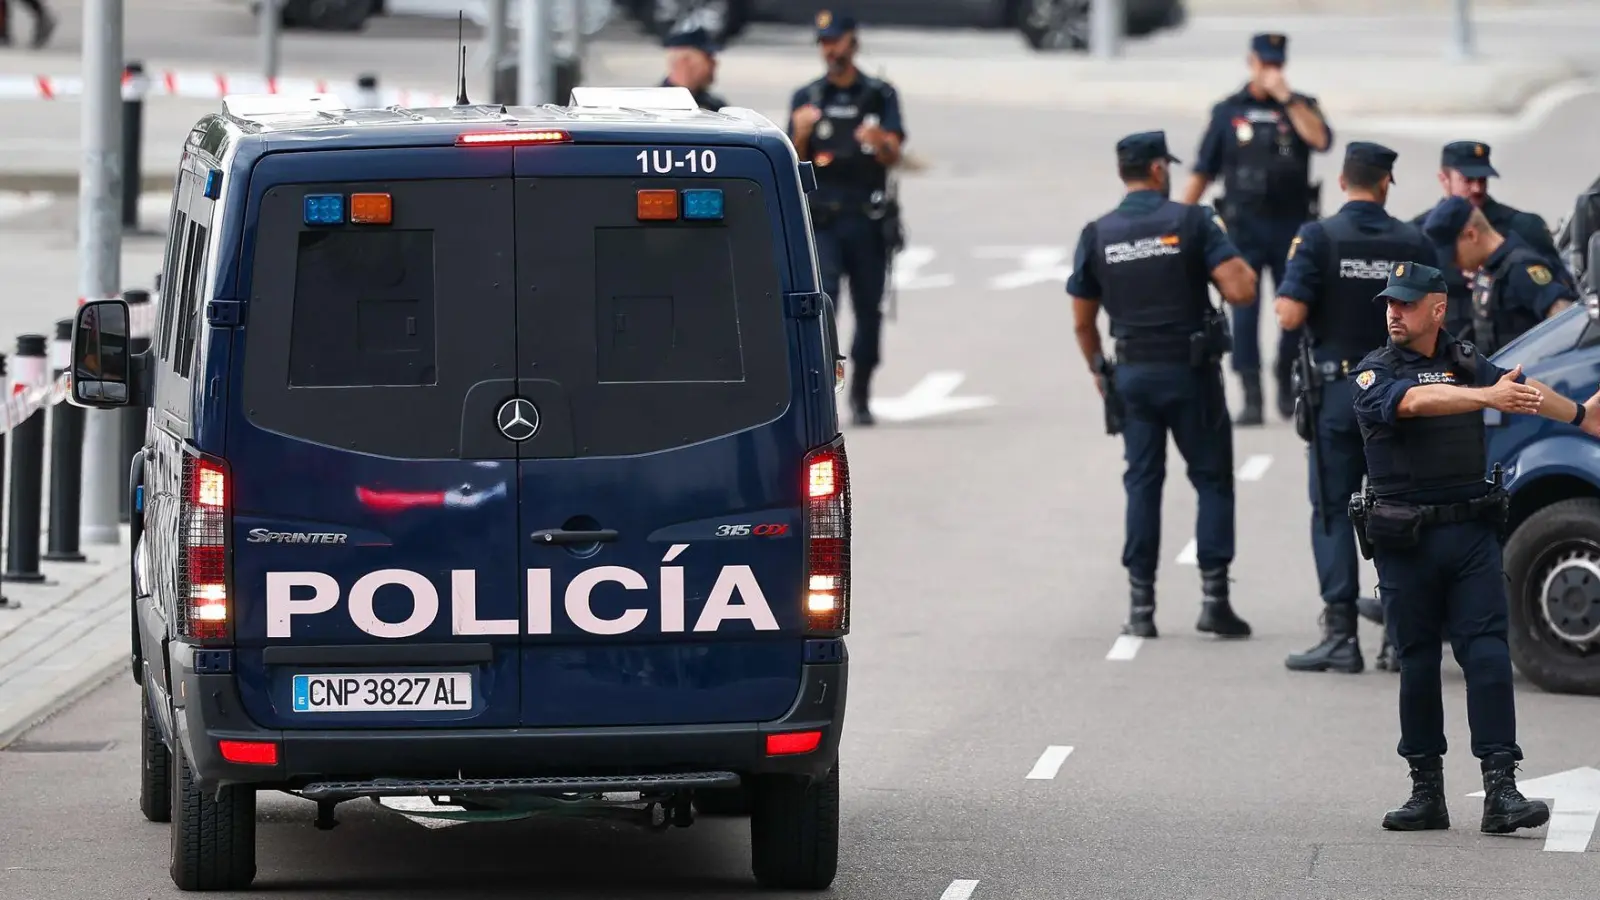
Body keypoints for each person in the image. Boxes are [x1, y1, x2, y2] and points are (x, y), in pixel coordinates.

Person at [1349, 260, 1599, 834]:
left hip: (1468, 535)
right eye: (1390, 302)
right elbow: (1413, 404)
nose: (1393, 311)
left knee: (1487, 657)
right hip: (1406, 539)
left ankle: (1501, 789)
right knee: (1416, 663)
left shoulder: (1464, 361)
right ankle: (1425, 791)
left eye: (1406, 303)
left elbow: (1517, 389)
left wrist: (1581, 415)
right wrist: (1483, 395)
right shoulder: (1374, 372)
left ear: (1437, 308)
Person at [1068, 130, 1259, 640]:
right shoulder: (1192, 221)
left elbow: (1083, 323)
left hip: (1132, 376)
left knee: (1142, 483)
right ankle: (1214, 599)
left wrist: (1099, 370)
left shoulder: (1097, 232)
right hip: (1190, 373)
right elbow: (1241, 291)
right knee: (1212, 480)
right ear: (1157, 169)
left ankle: (1141, 607)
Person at [1273, 142, 1437, 675]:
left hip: (1340, 395)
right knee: (1399, 508)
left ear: (1343, 182)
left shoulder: (1318, 237)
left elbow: (1290, 315)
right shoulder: (1413, 240)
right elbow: (1436, 318)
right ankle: (1398, 633)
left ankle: (1341, 634)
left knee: (1332, 511)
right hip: (1400, 394)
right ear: (1387, 182)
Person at [1182, 32, 1333, 426]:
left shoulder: (1302, 108)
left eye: (1277, 64)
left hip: (1291, 226)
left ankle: (1285, 375)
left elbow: (1320, 140)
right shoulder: (1228, 111)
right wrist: (1178, 218)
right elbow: (1203, 168)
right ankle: (1250, 393)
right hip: (1243, 228)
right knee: (1243, 313)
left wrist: (1287, 98)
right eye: (1264, 64)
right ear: (1251, 62)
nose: (1271, 71)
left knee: (1294, 308)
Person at [788, 9, 905, 426]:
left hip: (867, 219)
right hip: (824, 221)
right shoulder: (807, 96)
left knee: (869, 310)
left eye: (835, 40)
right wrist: (800, 133)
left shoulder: (878, 94)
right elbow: (794, 162)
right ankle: (824, 390)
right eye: (823, 42)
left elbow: (895, 154)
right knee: (825, 308)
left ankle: (861, 391)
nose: (829, 49)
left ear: (852, 41)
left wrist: (879, 142)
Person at [1409, 141, 1574, 342]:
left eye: (1482, 179)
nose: (1477, 188)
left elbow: (1562, 302)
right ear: (1444, 179)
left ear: (1472, 235)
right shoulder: (1420, 233)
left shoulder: (1522, 228)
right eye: (1467, 180)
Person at [1423, 195, 1579, 357]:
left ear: (1471, 235)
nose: (1453, 263)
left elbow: (1568, 320)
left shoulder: (1521, 268)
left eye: (1454, 255)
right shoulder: (1489, 271)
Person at [660, 26, 727, 110]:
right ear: (685, 61)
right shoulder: (654, 105)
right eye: (708, 57)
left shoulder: (715, 107)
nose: (714, 63)